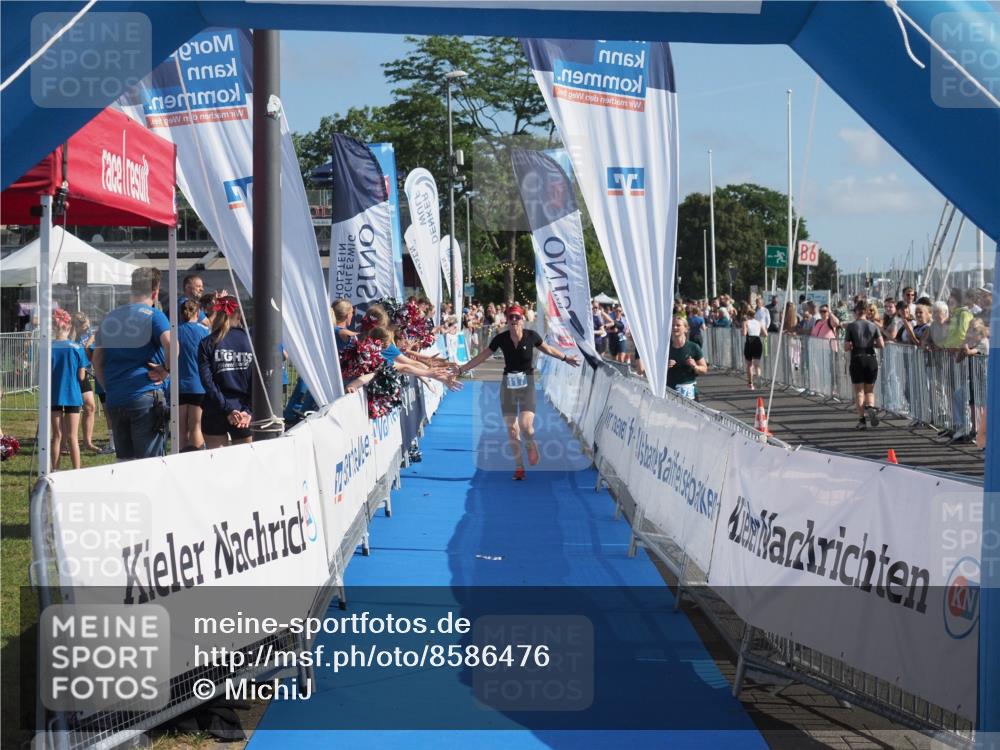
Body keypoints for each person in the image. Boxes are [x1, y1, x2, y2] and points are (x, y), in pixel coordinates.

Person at [457, 304, 579, 480]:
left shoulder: (531, 337)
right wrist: (462, 369)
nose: (514, 320)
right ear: (506, 320)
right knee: (512, 429)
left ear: (523, 319)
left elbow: (549, 349)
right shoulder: (501, 338)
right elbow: (482, 356)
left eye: (517, 317)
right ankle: (519, 467)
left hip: (526, 383)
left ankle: (530, 444)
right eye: (511, 317)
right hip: (508, 384)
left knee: (525, 425)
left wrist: (566, 358)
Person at [92, 267, 171, 460]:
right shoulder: (154, 315)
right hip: (144, 395)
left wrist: (109, 388)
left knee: (124, 463)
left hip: (116, 398)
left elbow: (97, 360)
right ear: (156, 290)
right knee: (150, 463)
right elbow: (173, 346)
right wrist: (166, 370)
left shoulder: (110, 317)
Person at [198, 296, 254, 449]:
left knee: (217, 466)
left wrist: (228, 408)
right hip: (242, 412)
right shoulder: (250, 341)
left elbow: (207, 382)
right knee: (244, 465)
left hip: (215, 408)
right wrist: (247, 411)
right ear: (240, 314)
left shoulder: (207, 343)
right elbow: (258, 381)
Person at [50, 309, 88, 470]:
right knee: (73, 437)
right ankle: (77, 471)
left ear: (53, 326)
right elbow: (81, 376)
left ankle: (55, 470)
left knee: (57, 436)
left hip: (54, 395)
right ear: (69, 326)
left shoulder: (47, 348)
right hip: (72, 394)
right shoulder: (77, 347)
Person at [844, 299, 885, 430]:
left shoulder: (851, 326)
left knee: (859, 392)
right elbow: (881, 345)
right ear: (866, 311)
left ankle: (862, 421)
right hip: (871, 358)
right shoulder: (873, 326)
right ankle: (871, 407)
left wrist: (852, 345)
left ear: (856, 312)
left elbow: (846, 347)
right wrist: (870, 344)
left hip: (857, 357)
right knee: (870, 390)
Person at [177, 299, 209, 451]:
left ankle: (179, 459)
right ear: (198, 313)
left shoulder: (174, 331)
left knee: (181, 429)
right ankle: (197, 461)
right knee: (196, 427)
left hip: (179, 385)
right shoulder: (204, 331)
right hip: (199, 385)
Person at [70, 312, 101, 452]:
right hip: (70, 374)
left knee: (90, 406)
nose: (87, 328)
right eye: (84, 326)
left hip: (83, 373)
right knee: (71, 409)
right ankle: (68, 441)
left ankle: (87, 442)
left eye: (88, 325)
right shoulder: (71, 336)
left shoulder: (90, 333)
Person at [667, 316, 708, 399]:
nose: (674, 327)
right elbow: (655, 371)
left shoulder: (693, 347)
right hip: (670, 391)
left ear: (686, 329)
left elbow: (704, 369)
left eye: (678, 325)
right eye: (672, 325)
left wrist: (695, 366)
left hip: (689, 392)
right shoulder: (665, 349)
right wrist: (665, 366)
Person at [741, 304, 767, 390]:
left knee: (749, 365)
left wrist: (743, 330)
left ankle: (750, 383)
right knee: (757, 364)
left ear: (748, 316)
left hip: (749, 342)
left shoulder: (746, 322)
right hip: (757, 341)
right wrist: (759, 333)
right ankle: (758, 377)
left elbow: (744, 333)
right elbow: (765, 334)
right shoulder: (759, 323)